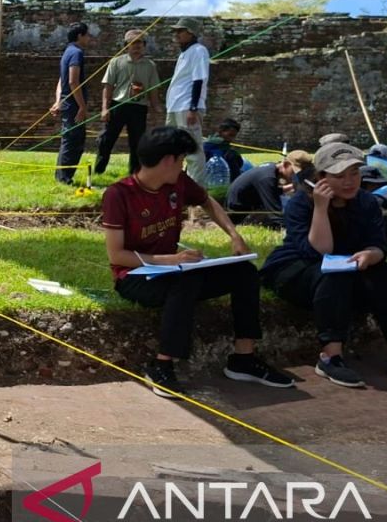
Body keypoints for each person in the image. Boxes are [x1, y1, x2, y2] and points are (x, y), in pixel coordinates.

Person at [102, 125, 293, 398]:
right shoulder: (118, 194)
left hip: (176, 270)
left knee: (245, 273)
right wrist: (172, 260)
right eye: (181, 160)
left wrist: (234, 235)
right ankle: (162, 364)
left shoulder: (177, 183)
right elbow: (117, 256)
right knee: (186, 281)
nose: (183, 166)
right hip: (134, 277)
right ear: (169, 160)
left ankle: (244, 357)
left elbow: (207, 202)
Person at [261, 142, 387, 388]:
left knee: (386, 274)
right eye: (339, 176)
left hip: (349, 270)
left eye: (354, 173)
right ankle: (330, 357)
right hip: (297, 269)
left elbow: (379, 245)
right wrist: (321, 209)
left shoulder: (366, 203)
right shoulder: (301, 203)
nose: (349, 181)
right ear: (320, 177)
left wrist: (370, 254)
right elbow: (318, 252)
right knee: (333, 275)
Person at [93, 29, 161, 176]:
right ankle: (98, 169)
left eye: (140, 43)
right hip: (118, 104)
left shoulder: (150, 65)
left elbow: (154, 89)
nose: (137, 46)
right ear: (126, 45)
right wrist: (105, 108)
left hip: (139, 107)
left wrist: (156, 107)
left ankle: (134, 174)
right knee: (107, 139)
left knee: (137, 142)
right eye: (133, 43)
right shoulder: (116, 62)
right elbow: (108, 86)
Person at [164, 17, 211, 186]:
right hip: (176, 106)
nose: (176, 34)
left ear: (190, 33)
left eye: (180, 31)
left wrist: (192, 107)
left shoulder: (199, 50)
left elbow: (198, 80)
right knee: (172, 147)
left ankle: (197, 188)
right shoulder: (185, 53)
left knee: (193, 149)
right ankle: (174, 181)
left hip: (187, 106)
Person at [50, 22, 94, 184]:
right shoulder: (76, 53)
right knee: (74, 141)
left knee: (70, 139)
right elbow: (73, 81)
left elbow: (61, 81)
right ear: (80, 36)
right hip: (74, 106)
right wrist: (82, 106)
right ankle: (64, 178)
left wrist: (57, 101)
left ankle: (62, 176)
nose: (89, 38)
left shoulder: (67, 52)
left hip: (67, 104)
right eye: (87, 35)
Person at [225, 149, 314, 227]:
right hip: (240, 215)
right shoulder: (267, 178)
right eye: (295, 173)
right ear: (286, 165)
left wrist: (290, 187)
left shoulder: (270, 168)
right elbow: (275, 215)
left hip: (251, 206)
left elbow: (270, 191)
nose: (297, 176)